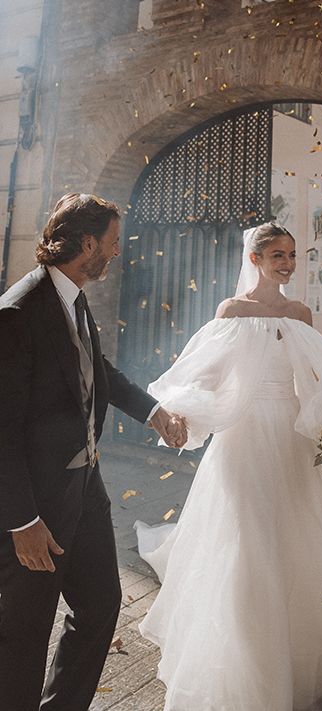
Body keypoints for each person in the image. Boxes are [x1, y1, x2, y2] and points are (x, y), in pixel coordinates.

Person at [135, 222, 322, 711]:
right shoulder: (232, 312)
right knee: (247, 533)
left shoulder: (301, 314)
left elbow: (316, 381)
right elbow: (205, 374)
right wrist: (183, 412)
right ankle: (247, 651)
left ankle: (302, 649)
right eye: (276, 255)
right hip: (243, 436)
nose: (286, 263)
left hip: (291, 435)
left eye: (292, 255)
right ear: (255, 260)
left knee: (299, 531)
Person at [0, 193, 188, 711]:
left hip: (86, 489)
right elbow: (3, 431)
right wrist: (22, 521)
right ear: (87, 243)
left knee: (102, 605)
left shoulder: (74, 296)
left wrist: (156, 412)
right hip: (38, 506)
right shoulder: (18, 312)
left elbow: (96, 369)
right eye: (112, 243)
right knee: (23, 633)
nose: (117, 252)